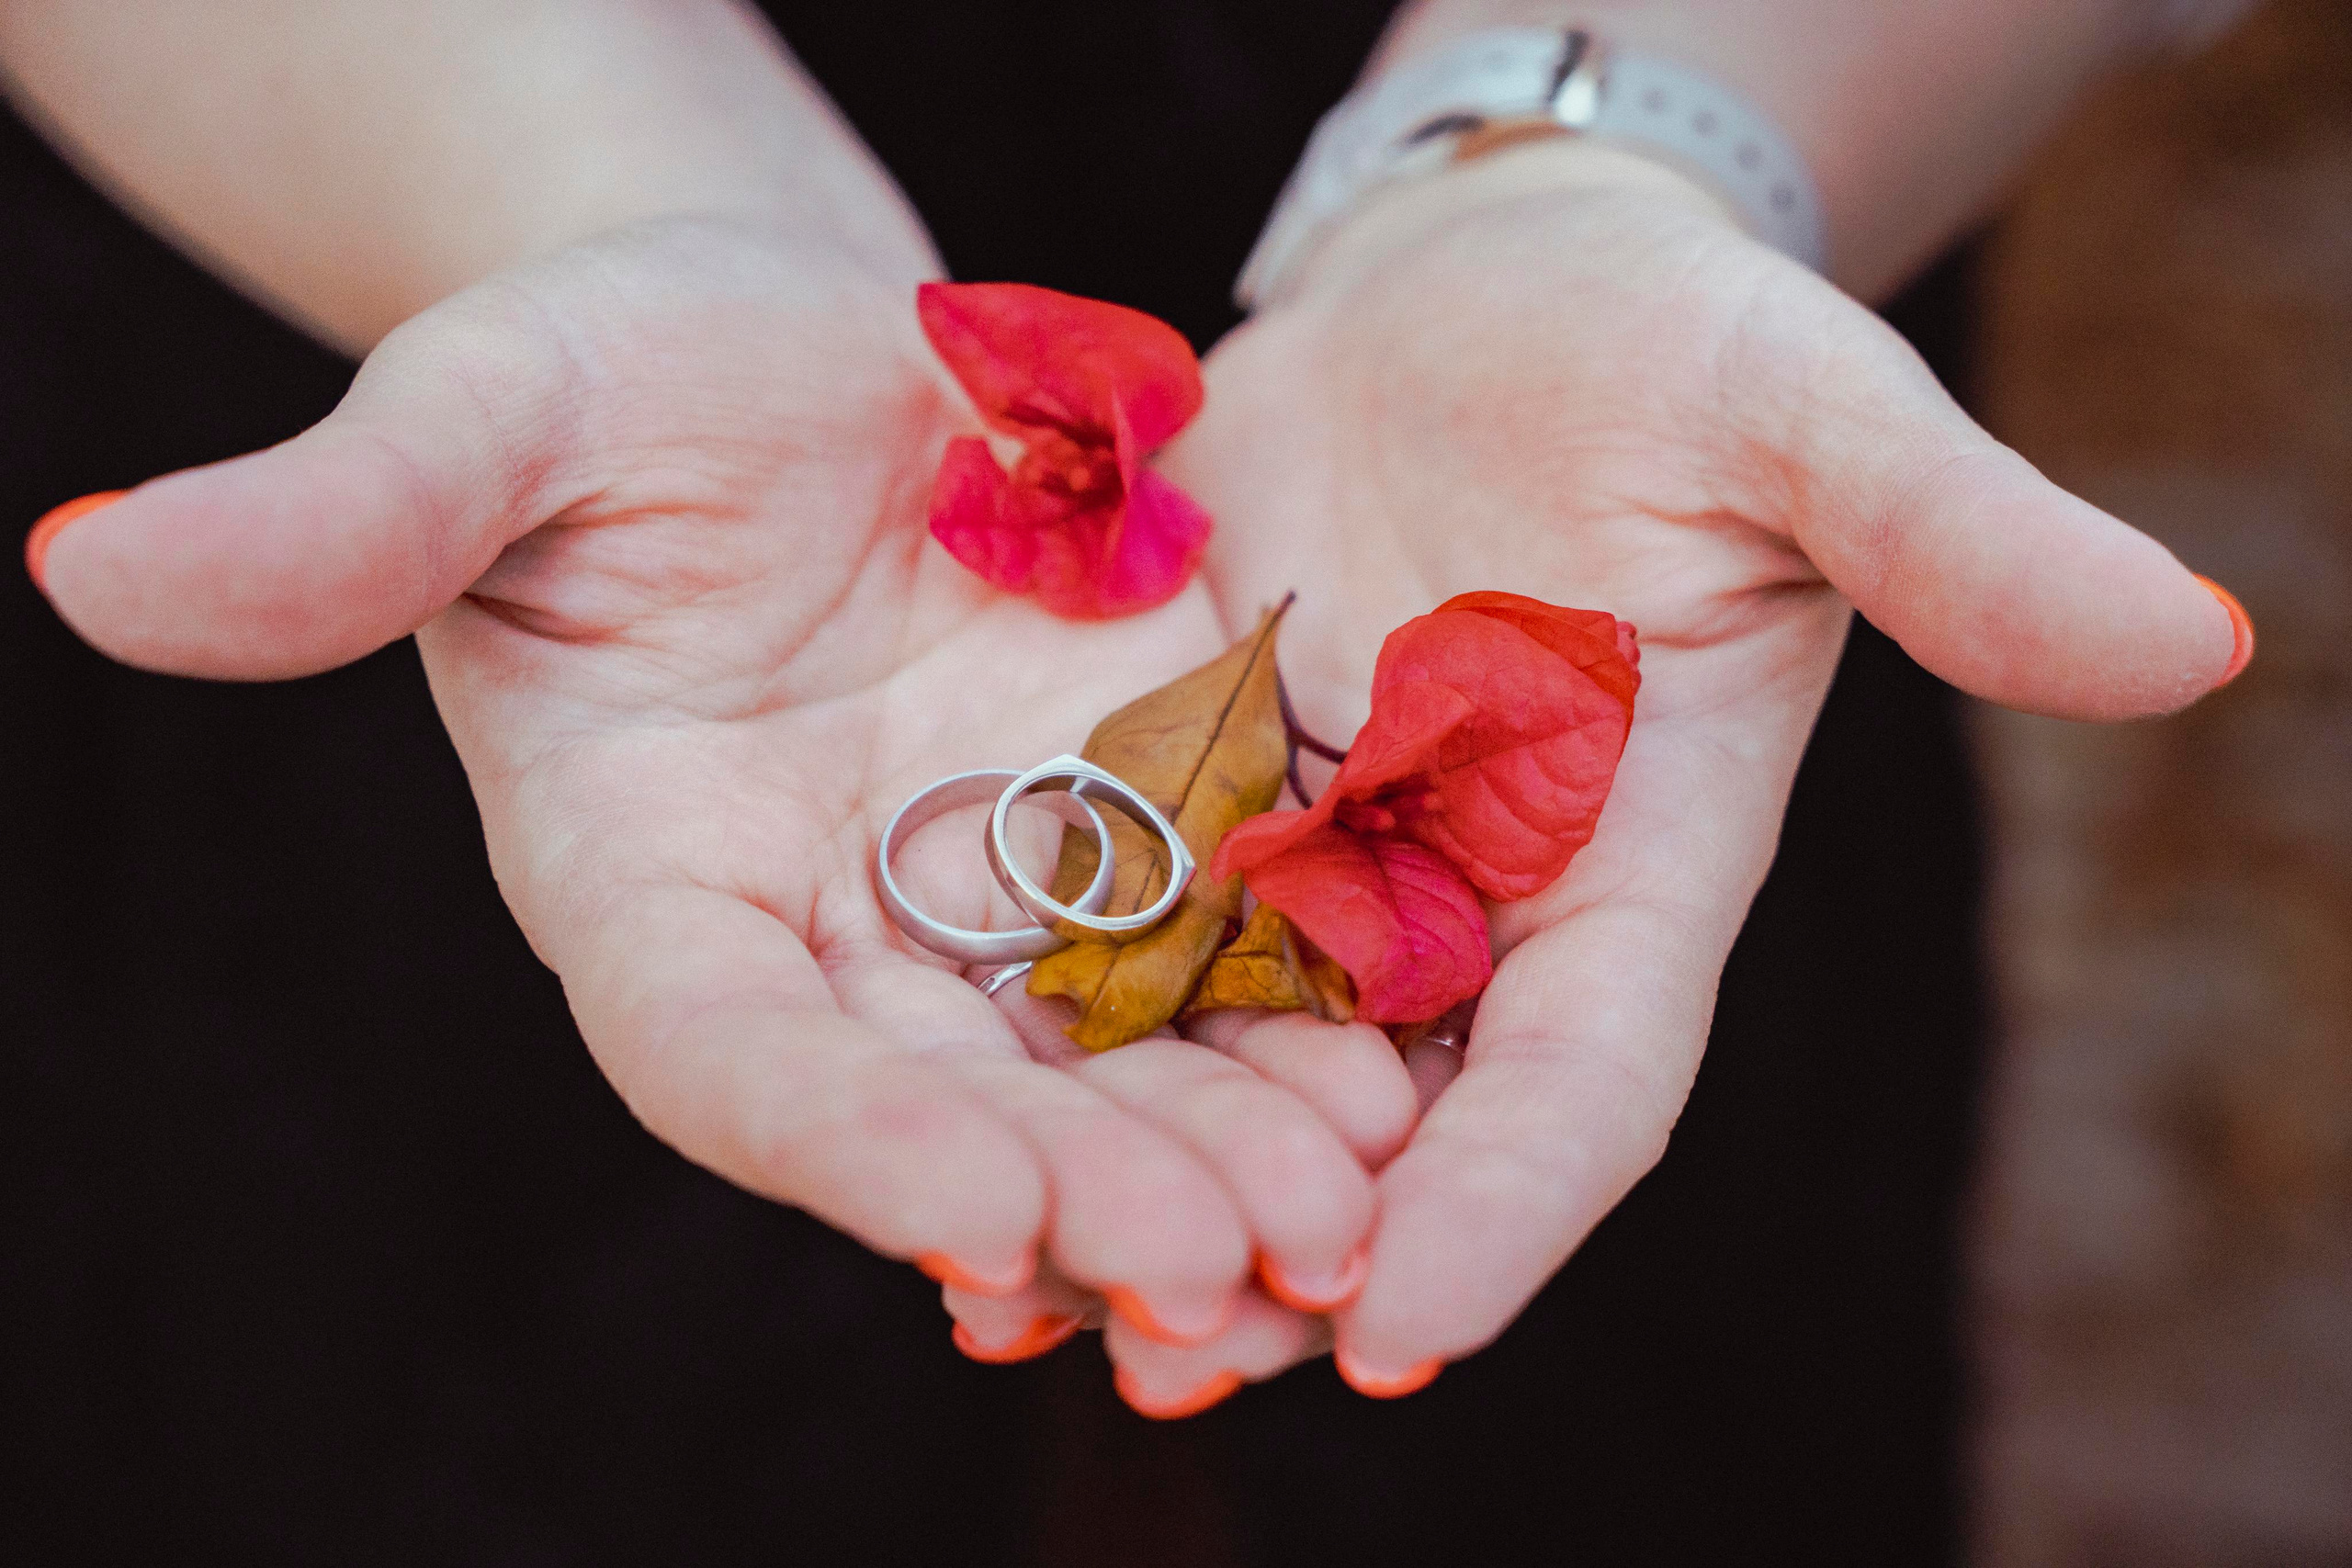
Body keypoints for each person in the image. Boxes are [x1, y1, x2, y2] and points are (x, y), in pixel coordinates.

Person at [1, 1, 2257, 1558]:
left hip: (1580, 341)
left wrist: (1605, 150)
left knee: (1622, 1433)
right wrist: (581, 190)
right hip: (392, 184)